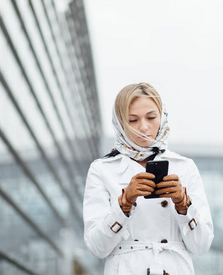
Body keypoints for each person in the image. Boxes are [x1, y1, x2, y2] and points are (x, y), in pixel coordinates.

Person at [83, 82, 214, 275]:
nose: (144, 127)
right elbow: (97, 247)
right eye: (133, 120)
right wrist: (124, 204)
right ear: (120, 123)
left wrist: (184, 205)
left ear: (162, 117)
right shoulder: (102, 169)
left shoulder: (185, 167)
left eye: (151, 117)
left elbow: (201, 246)